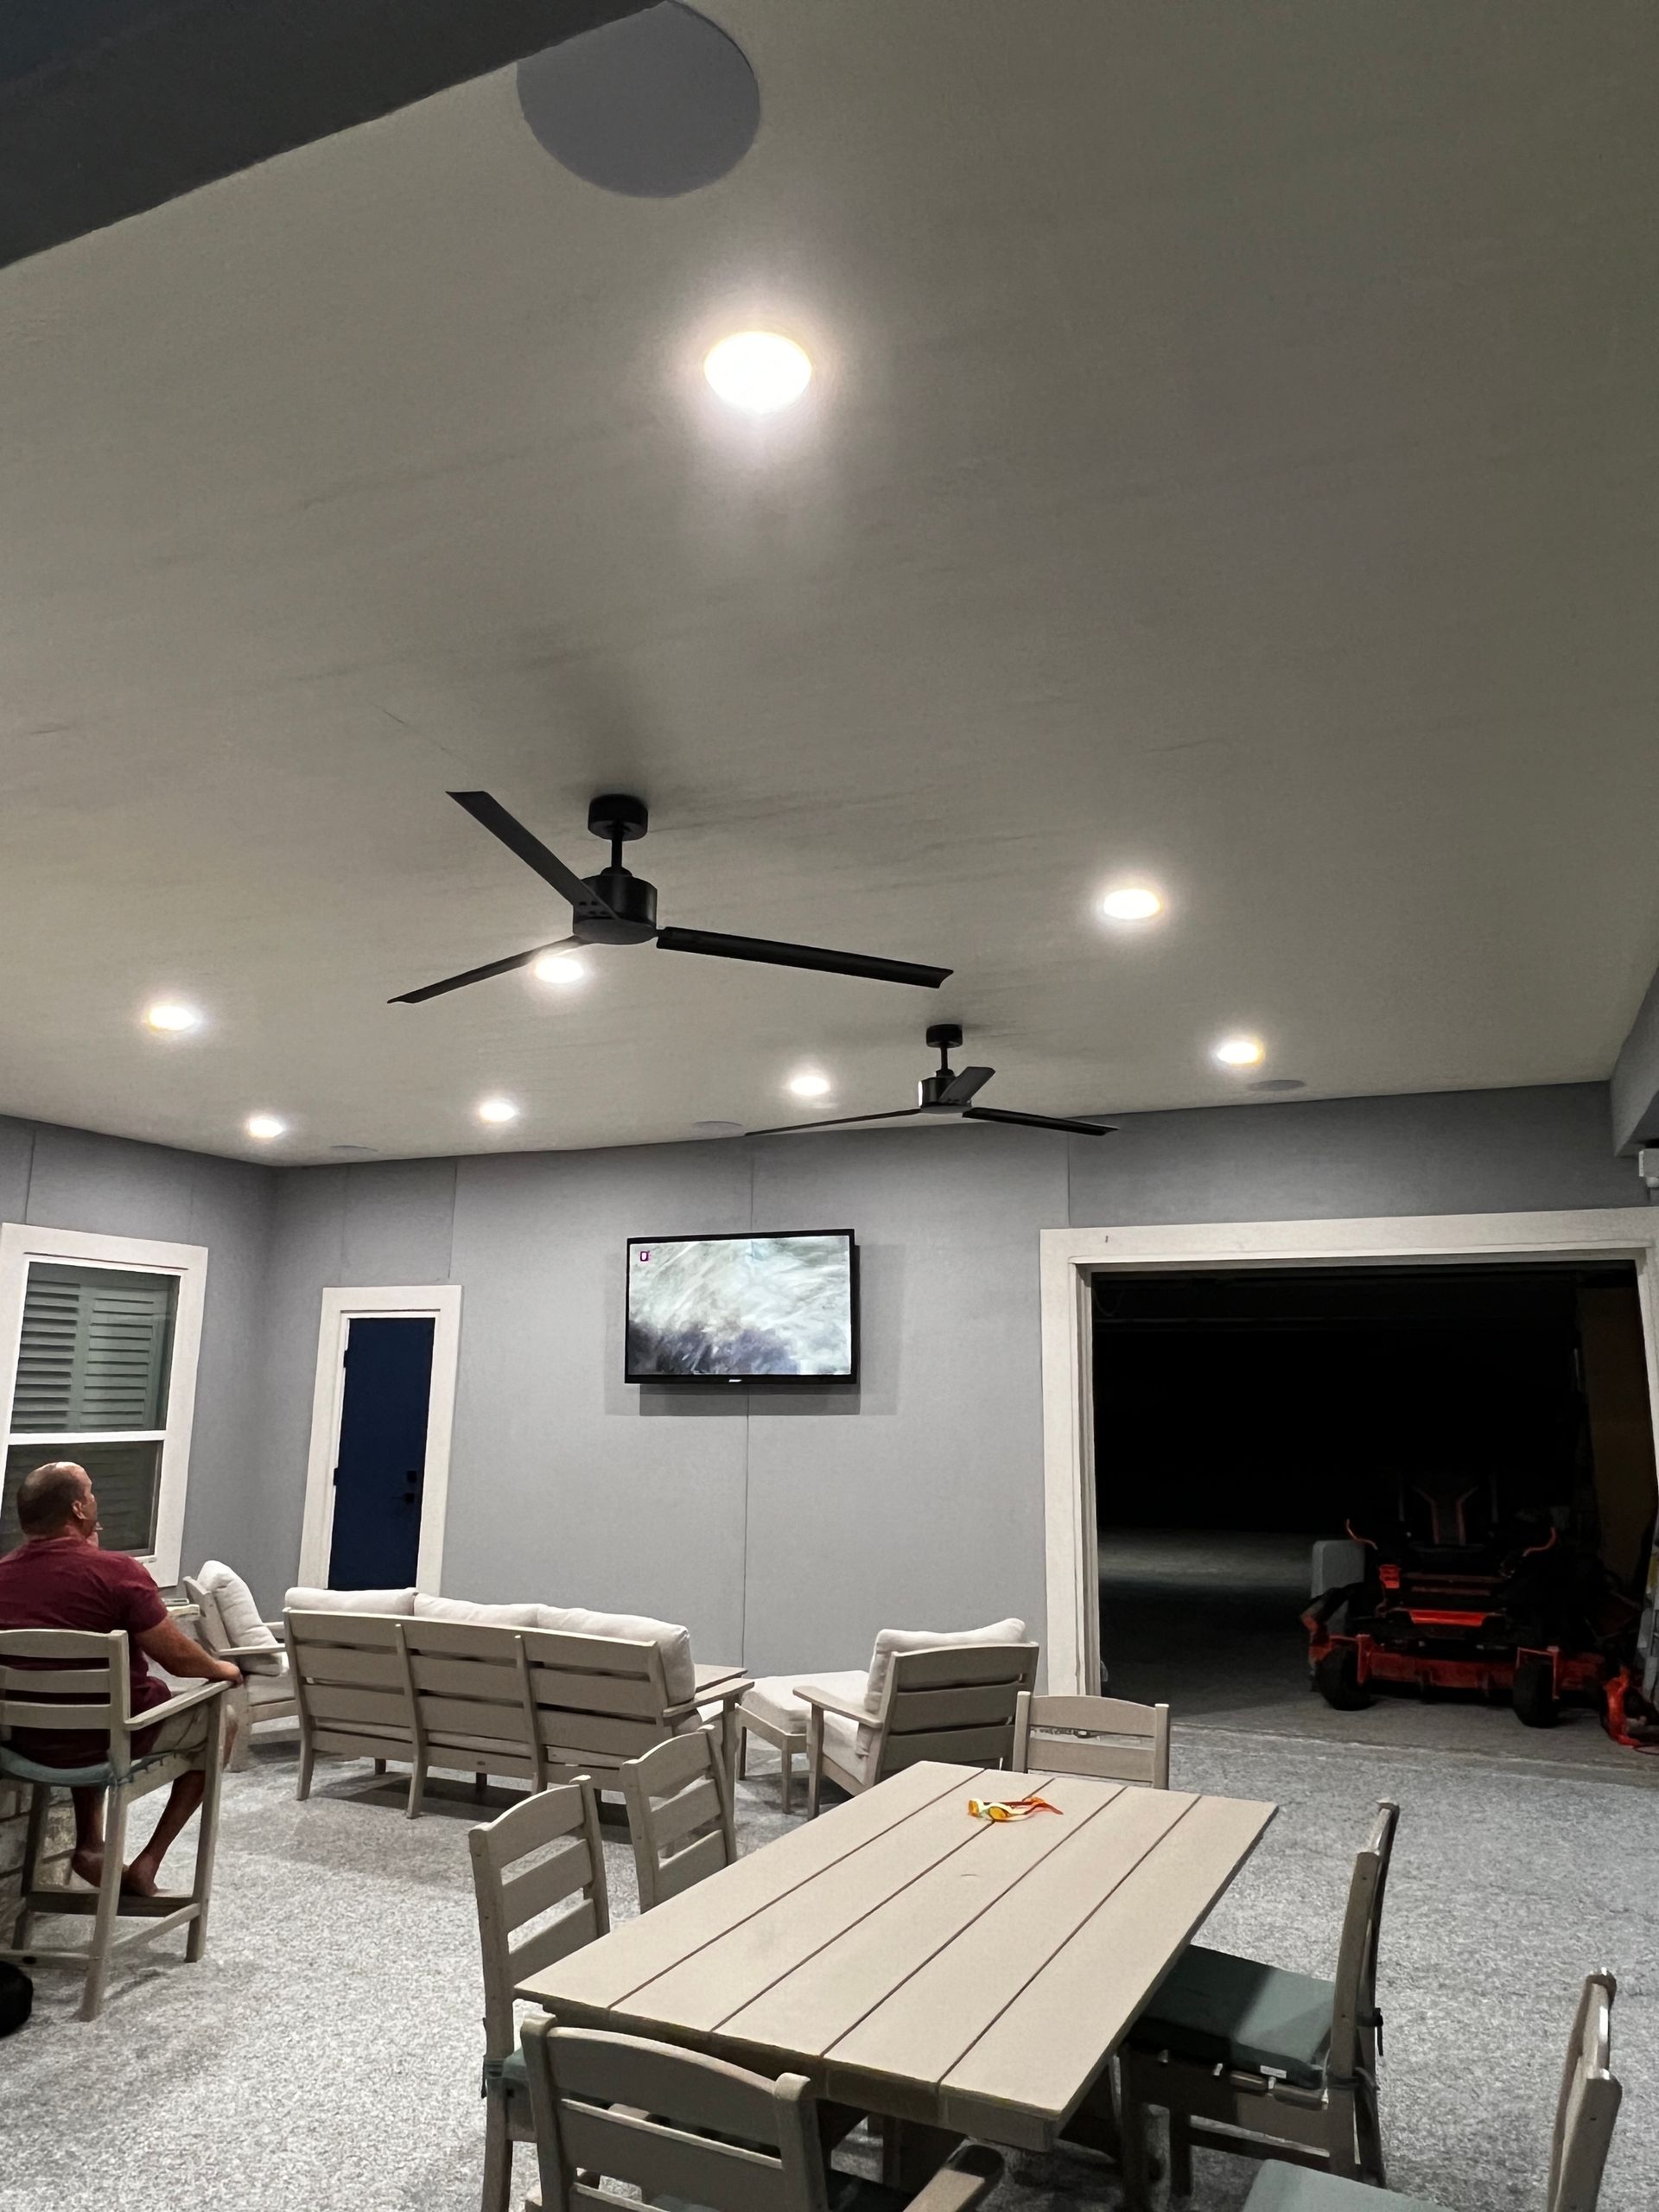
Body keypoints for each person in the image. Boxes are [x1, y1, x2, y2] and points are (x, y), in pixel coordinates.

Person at [0, 1460, 242, 1896]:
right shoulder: (119, 1572)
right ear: (77, 1509)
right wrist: (222, 1668)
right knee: (221, 1717)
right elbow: (178, 1660)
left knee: (88, 1711)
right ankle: (149, 1861)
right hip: (109, 1738)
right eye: (90, 1493)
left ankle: (93, 1843)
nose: (96, 1500)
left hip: (22, 1741)